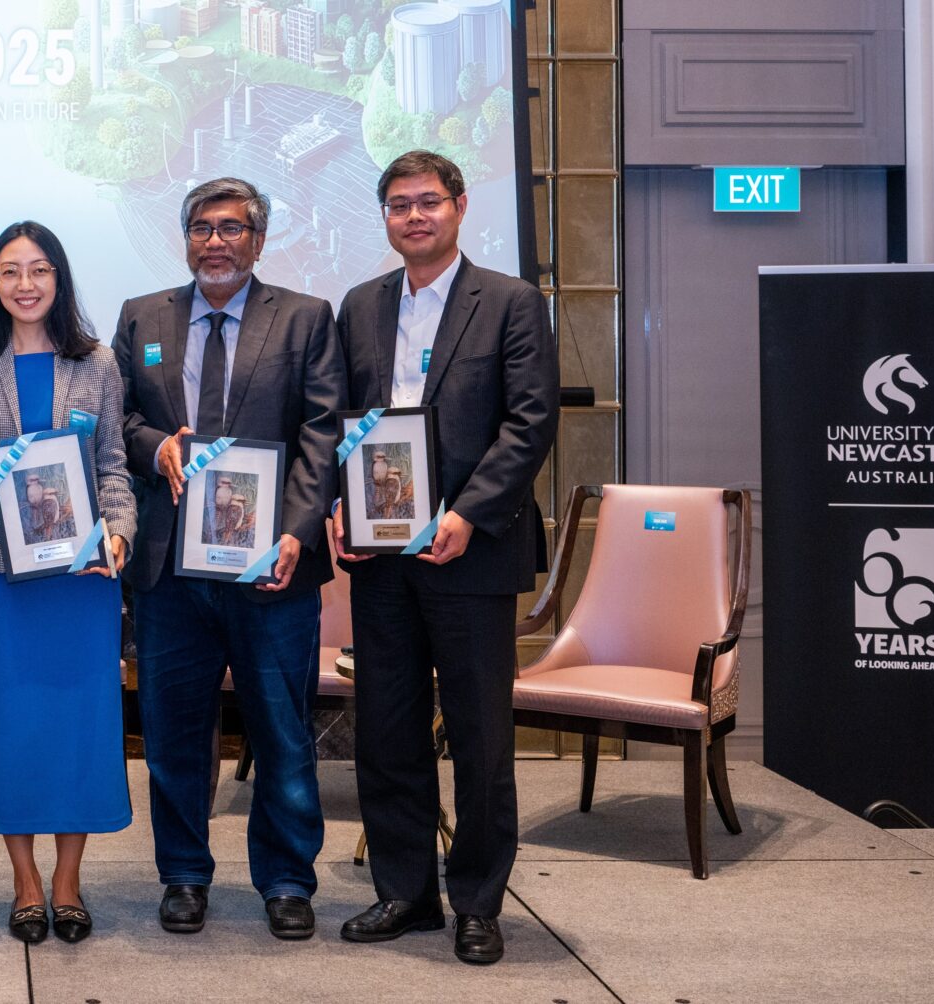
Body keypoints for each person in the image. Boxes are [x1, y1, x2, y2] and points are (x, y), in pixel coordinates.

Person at [331, 150, 558, 965]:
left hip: (471, 549)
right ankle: (405, 893)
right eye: (399, 205)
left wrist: (467, 512)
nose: (414, 216)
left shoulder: (511, 302)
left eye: (428, 201)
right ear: (385, 218)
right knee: (388, 729)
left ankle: (477, 902)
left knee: (480, 735)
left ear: (460, 206)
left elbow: (530, 422)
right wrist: (338, 506)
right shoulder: (360, 305)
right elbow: (340, 421)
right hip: (383, 554)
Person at [110, 177, 345, 940]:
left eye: (232, 228)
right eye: (202, 228)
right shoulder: (142, 315)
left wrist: (298, 531)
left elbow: (322, 434)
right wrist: (157, 448)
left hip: (271, 565)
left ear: (259, 239)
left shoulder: (306, 318)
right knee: (174, 733)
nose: (215, 242)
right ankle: (183, 873)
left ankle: (287, 879)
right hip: (169, 569)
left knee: (281, 730)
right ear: (185, 239)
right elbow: (120, 419)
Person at [0, 221, 136, 945]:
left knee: (78, 725)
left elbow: (113, 465)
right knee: (12, 724)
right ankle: (26, 882)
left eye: (38, 270)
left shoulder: (98, 362)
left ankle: (68, 882)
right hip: (3, 579)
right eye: (9, 272)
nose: (24, 284)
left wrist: (118, 534)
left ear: (58, 278)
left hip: (83, 575)